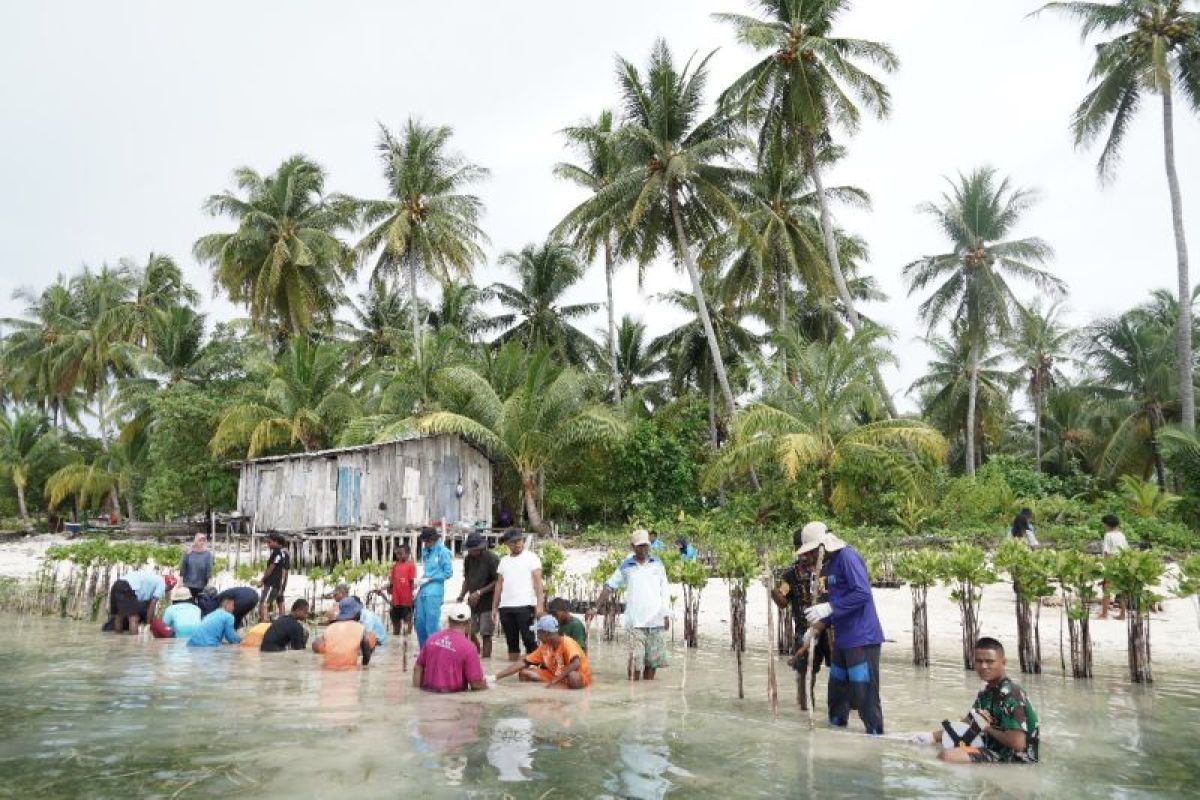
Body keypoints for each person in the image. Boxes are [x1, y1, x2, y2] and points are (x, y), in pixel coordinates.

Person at [793, 521, 885, 735]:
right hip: (842, 641)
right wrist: (816, 628)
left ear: (822, 546)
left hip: (862, 639)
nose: (809, 557)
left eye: (811, 551)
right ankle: (836, 738)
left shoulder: (847, 557)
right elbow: (832, 604)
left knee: (865, 697)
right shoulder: (828, 566)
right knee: (837, 696)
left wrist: (829, 607)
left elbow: (862, 593)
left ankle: (875, 738)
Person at [910, 637, 1040, 764]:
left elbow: (1017, 744)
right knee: (931, 745)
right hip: (991, 745)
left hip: (1014, 757)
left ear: (1003, 662)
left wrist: (987, 728)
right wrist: (931, 737)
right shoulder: (986, 692)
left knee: (947, 755)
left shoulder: (1012, 694)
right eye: (979, 661)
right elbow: (969, 722)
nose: (983, 666)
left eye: (990, 661)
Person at [587, 529, 670, 681]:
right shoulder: (626, 566)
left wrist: (666, 614)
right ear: (633, 547)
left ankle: (647, 694)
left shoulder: (658, 564)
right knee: (635, 663)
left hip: (656, 620)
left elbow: (664, 590)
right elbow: (609, 586)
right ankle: (633, 694)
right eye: (640, 546)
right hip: (635, 622)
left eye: (646, 545)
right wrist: (596, 607)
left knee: (652, 663)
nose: (643, 549)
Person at [771, 529, 832, 708]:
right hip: (804, 630)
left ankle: (844, 711)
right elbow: (782, 602)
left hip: (831, 628)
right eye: (801, 549)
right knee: (805, 674)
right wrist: (772, 590)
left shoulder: (830, 568)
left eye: (809, 550)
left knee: (840, 671)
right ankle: (805, 710)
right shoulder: (791, 574)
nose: (806, 555)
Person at [495, 614, 591, 689]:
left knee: (573, 677)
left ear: (546, 633)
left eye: (538, 632)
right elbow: (524, 662)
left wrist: (556, 680)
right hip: (555, 676)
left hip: (575, 677)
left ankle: (561, 688)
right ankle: (559, 687)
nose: (537, 636)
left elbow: (576, 663)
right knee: (524, 673)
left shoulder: (567, 642)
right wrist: (496, 677)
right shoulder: (544, 647)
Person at [491, 528, 545, 661]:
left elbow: (538, 583)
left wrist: (540, 604)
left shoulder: (532, 557)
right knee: (511, 642)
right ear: (507, 544)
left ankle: (536, 668)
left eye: (519, 540)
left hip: (525, 604)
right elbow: (499, 585)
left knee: (529, 639)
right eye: (513, 542)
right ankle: (513, 674)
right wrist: (494, 607)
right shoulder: (504, 560)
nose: (517, 544)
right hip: (506, 606)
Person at [413, 603, 488, 693]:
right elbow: (476, 684)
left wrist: (417, 693)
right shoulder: (469, 648)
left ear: (449, 619)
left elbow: (418, 668)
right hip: (453, 699)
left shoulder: (432, 639)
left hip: (428, 695)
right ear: (469, 622)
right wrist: (488, 685)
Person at [457, 532, 500, 658]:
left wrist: (480, 592)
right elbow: (467, 579)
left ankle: (486, 661)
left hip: (488, 602)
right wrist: (461, 595)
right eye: (470, 549)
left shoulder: (492, 558)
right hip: (472, 601)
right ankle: (474, 656)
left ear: (481, 547)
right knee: (468, 632)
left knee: (486, 634)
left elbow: (498, 581)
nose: (471, 552)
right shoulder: (468, 559)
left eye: (474, 549)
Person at [414, 527, 453, 648]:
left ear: (433, 539)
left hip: (435, 590)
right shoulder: (426, 551)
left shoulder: (443, 552)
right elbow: (428, 570)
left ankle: (436, 652)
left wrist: (432, 578)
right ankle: (424, 651)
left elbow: (448, 573)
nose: (425, 544)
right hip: (423, 589)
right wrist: (421, 580)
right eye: (424, 541)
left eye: (427, 541)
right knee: (419, 624)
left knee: (432, 624)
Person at [312, 597, 378, 669]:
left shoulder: (330, 628)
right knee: (371, 637)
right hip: (349, 670)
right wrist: (365, 666)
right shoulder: (360, 628)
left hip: (327, 669)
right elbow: (366, 649)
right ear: (356, 613)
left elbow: (317, 645)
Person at [109, 567, 166, 635]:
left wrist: (149, 620)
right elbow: (153, 604)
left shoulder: (153, 579)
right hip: (127, 586)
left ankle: (117, 641)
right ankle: (135, 644)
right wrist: (148, 624)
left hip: (116, 584)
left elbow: (149, 605)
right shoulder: (163, 583)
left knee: (119, 616)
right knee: (134, 618)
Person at [1101, 513, 1130, 620]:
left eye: (1104, 524)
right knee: (1121, 590)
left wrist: (1106, 566)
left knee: (1106, 589)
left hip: (1112, 565)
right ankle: (1122, 614)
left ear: (1107, 525)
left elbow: (1107, 553)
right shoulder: (1121, 535)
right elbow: (1127, 550)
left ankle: (1104, 614)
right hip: (1122, 564)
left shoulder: (1108, 535)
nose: (1104, 526)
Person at [257, 532, 290, 620]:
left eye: (269, 542)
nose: (268, 544)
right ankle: (281, 621)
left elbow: (271, 568)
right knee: (279, 601)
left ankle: (264, 624)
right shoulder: (284, 553)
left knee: (264, 603)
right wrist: (282, 586)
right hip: (279, 583)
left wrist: (262, 580)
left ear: (276, 542)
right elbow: (284, 571)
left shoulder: (278, 553)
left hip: (273, 583)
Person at [386, 544, 417, 636]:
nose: (399, 556)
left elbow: (412, 582)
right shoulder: (395, 566)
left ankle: (408, 638)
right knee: (395, 621)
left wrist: (412, 596)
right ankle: (396, 639)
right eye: (398, 554)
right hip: (395, 599)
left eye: (401, 554)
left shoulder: (411, 566)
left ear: (408, 554)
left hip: (406, 600)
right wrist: (389, 588)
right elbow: (392, 581)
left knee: (408, 620)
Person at [179, 534, 214, 600]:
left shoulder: (207, 554)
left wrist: (209, 582)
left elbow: (209, 568)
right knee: (189, 603)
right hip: (188, 583)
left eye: (203, 541)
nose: (202, 542)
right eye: (200, 540)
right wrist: (180, 581)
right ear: (195, 541)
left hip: (202, 584)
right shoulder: (188, 552)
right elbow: (183, 567)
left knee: (201, 604)